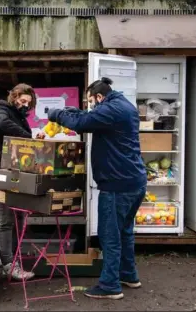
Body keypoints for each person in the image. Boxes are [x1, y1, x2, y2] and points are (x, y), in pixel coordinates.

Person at [47, 77, 147, 300]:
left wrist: (57, 114)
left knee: (109, 235)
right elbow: (90, 117)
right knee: (124, 232)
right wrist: (75, 110)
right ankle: (128, 275)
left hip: (117, 185)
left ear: (99, 97)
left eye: (91, 101)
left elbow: (82, 124)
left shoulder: (110, 110)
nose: (91, 105)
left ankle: (110, 285)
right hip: (134, 182)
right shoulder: (123, 105)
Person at [0, 83, 44, 281]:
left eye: (28, 103)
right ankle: (8, 264)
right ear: (14, 97)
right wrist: (29, 136)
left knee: (19, 220)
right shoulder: (1, 109)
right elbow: (1, 125)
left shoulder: (19, 116)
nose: (25, 106)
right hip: (0, 175)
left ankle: (15, 260)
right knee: (4, 221)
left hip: (17, 176)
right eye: (22, 101)